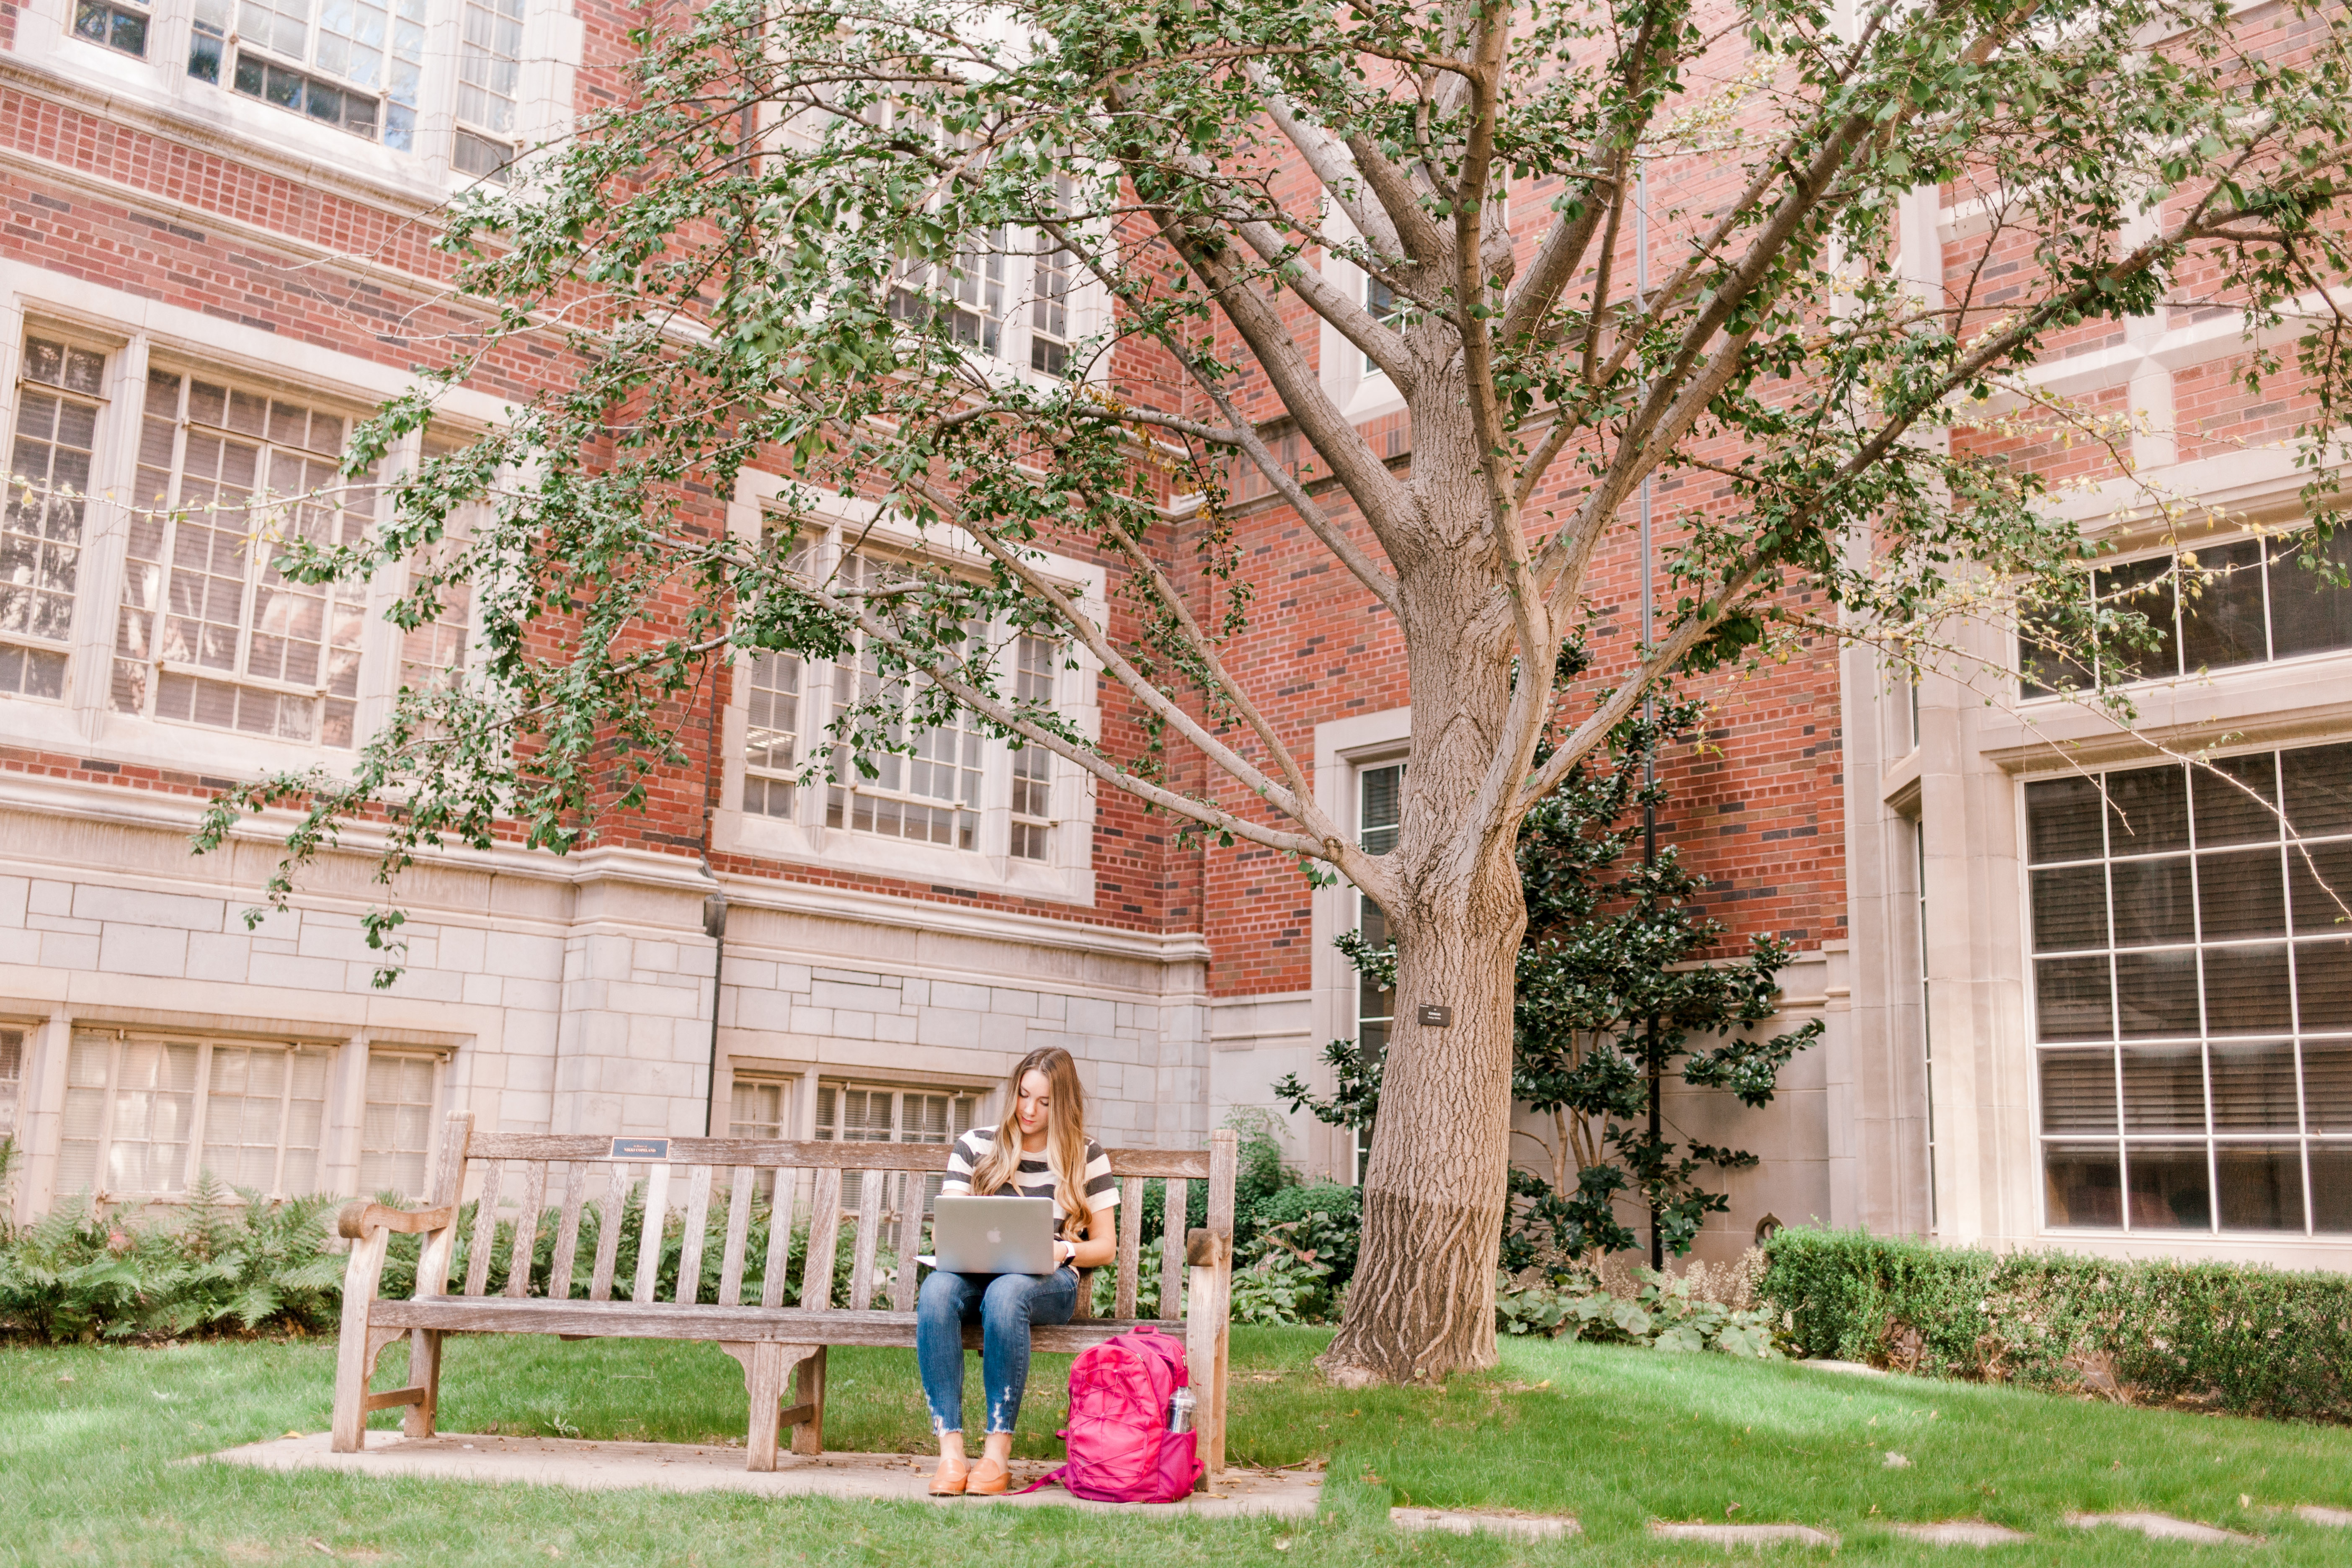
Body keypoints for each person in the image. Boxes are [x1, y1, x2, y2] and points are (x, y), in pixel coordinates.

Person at [918, 1045, 1117, 1496]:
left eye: (1044, 1102)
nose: (1029, 1110)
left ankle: (996, 1455)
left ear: (1062, 1103)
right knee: (935, 1292)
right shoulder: (976, 1145)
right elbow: (945, 1232)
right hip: (976, 1274)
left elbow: (1105, 1247)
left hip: (1048, 1282)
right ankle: (951, 1455)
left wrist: (1063, 1249)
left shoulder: (1086, 1155)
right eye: (1024, 1096)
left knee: (1007, 1295)